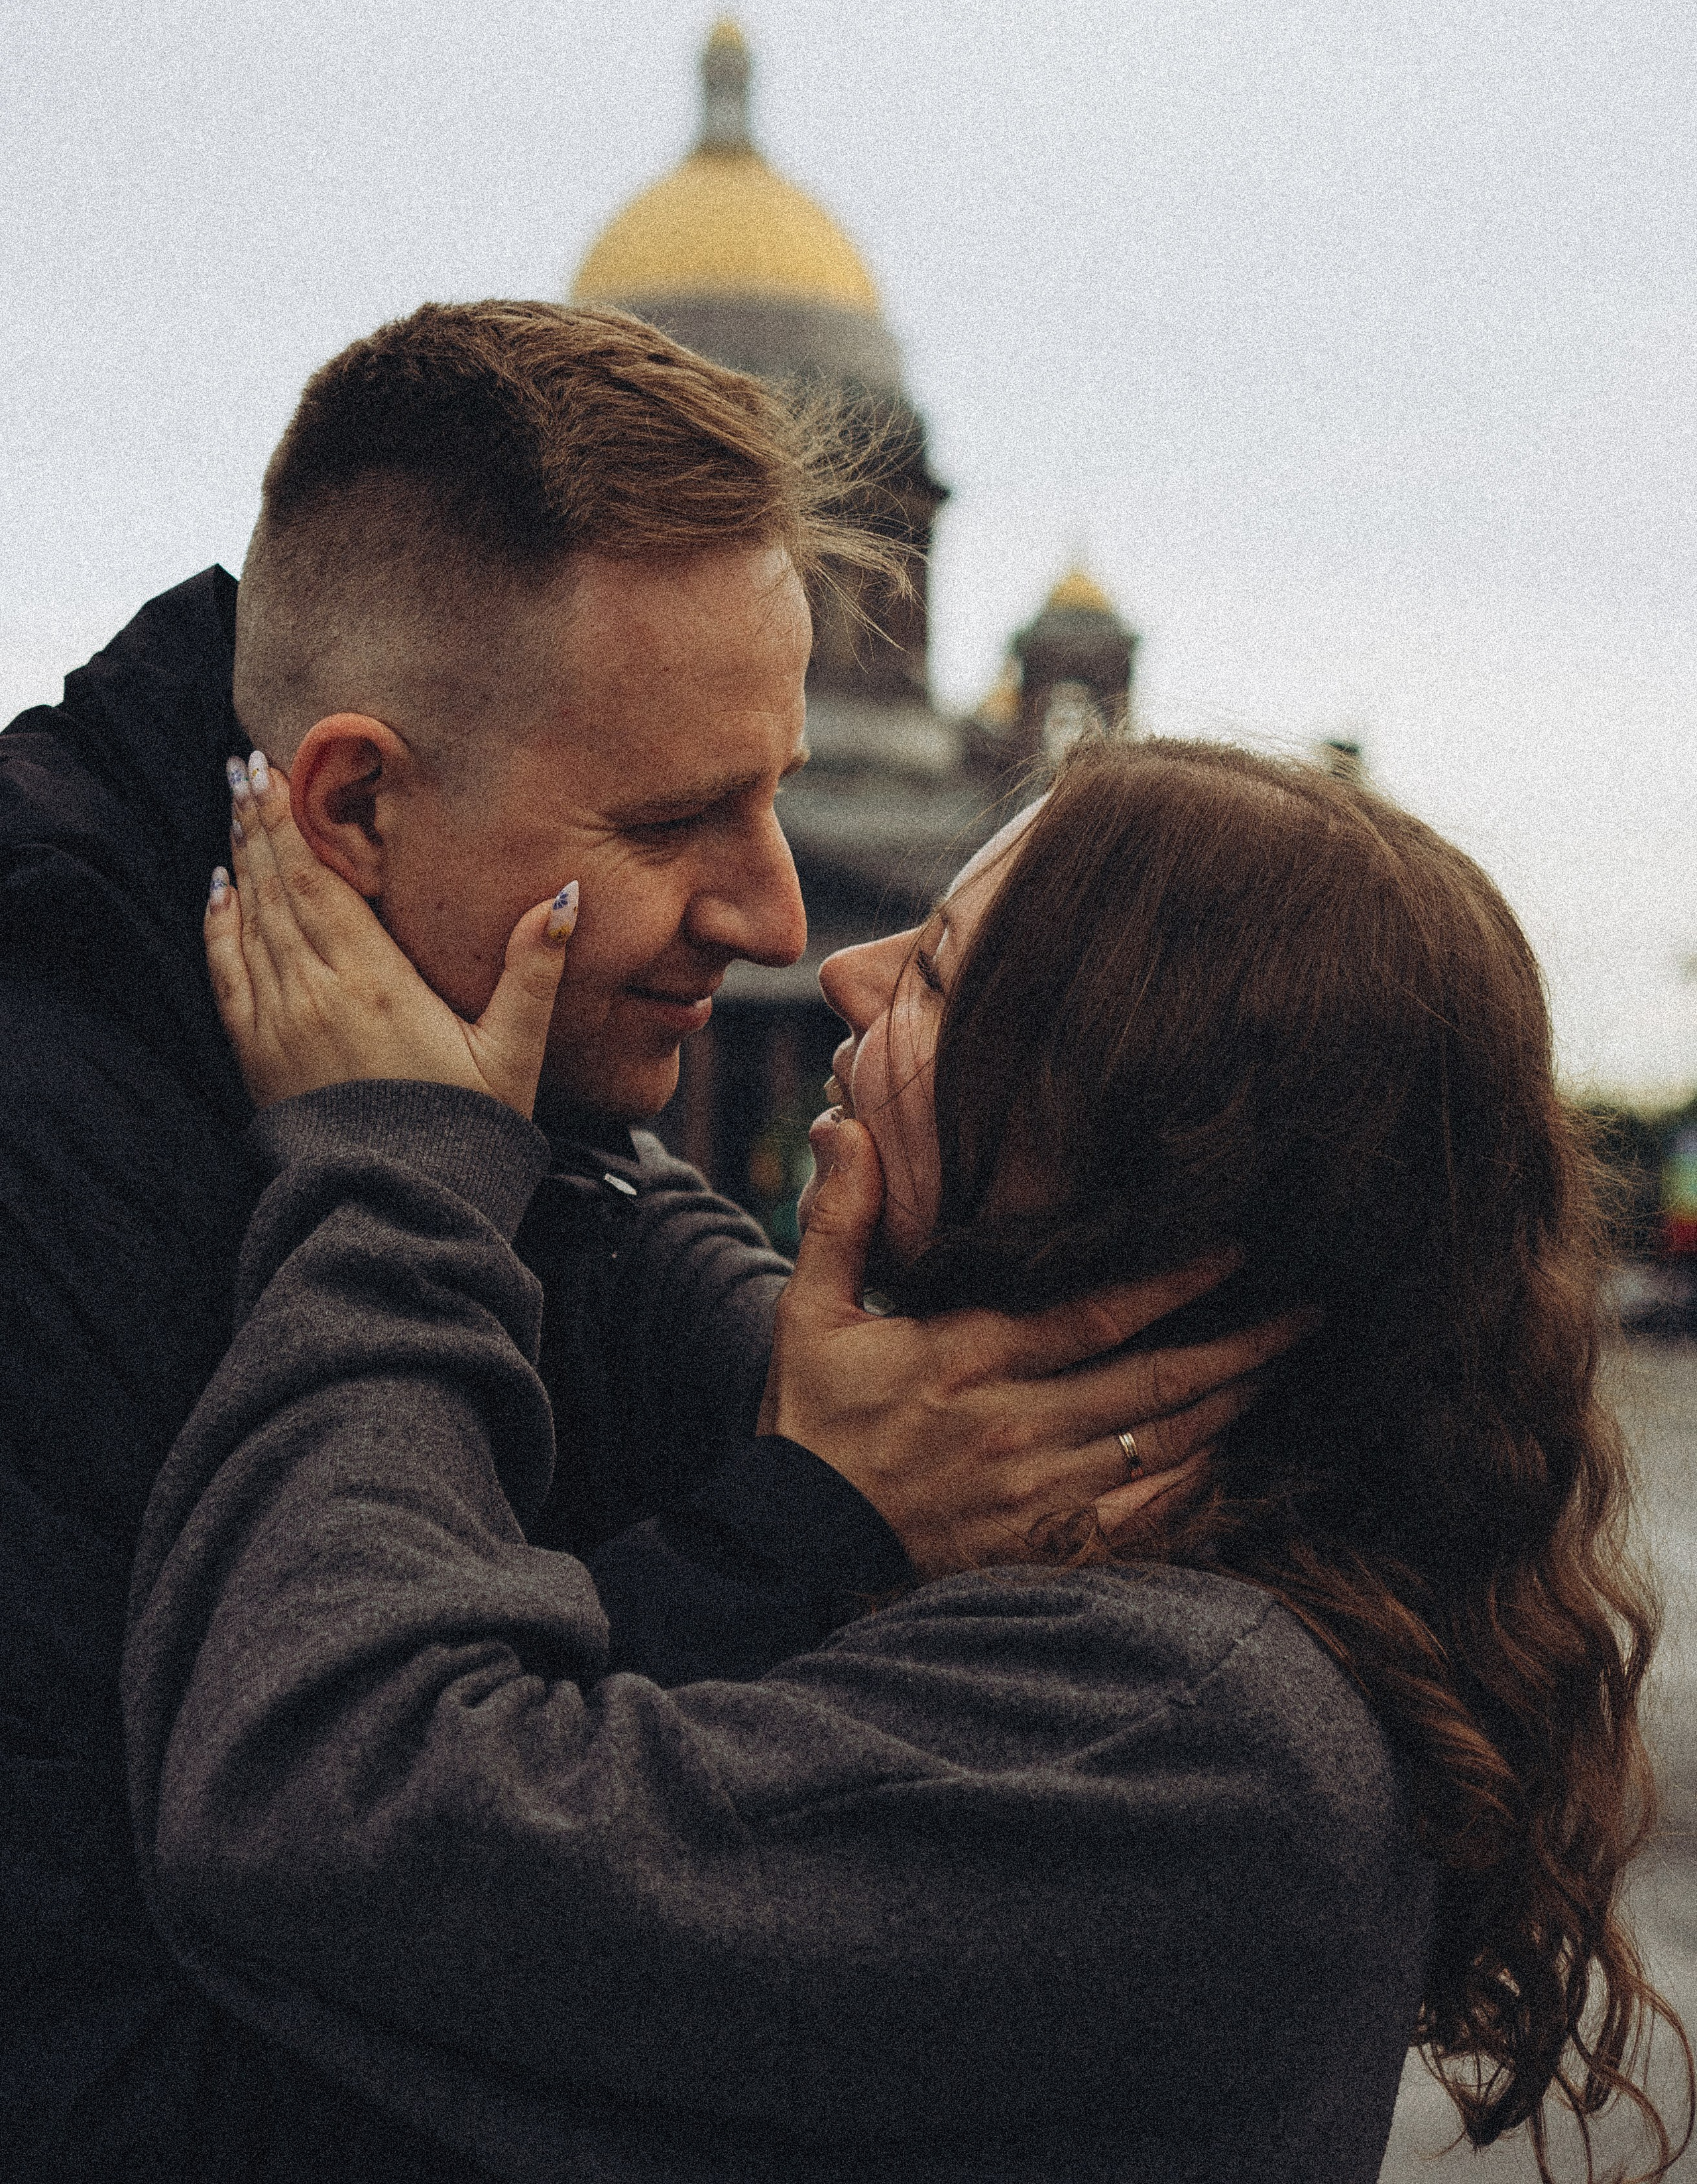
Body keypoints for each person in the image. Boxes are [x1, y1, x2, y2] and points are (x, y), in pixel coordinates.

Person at [1, 301, 1282, 2180]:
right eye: (682, 819)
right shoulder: (46, 1158)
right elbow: (91, 2083)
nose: (778, 918)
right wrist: (792, 1536)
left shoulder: (505, 1094)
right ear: (352, 802)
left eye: (773, 795)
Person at [126, 735, 1689, 2183]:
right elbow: (708, 1296)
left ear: (1096, 1150)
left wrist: (403, 1170)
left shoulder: (1171, 1735)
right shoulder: (1162, 1589)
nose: (845, 971)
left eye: (938, 972)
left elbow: (320, 1798)